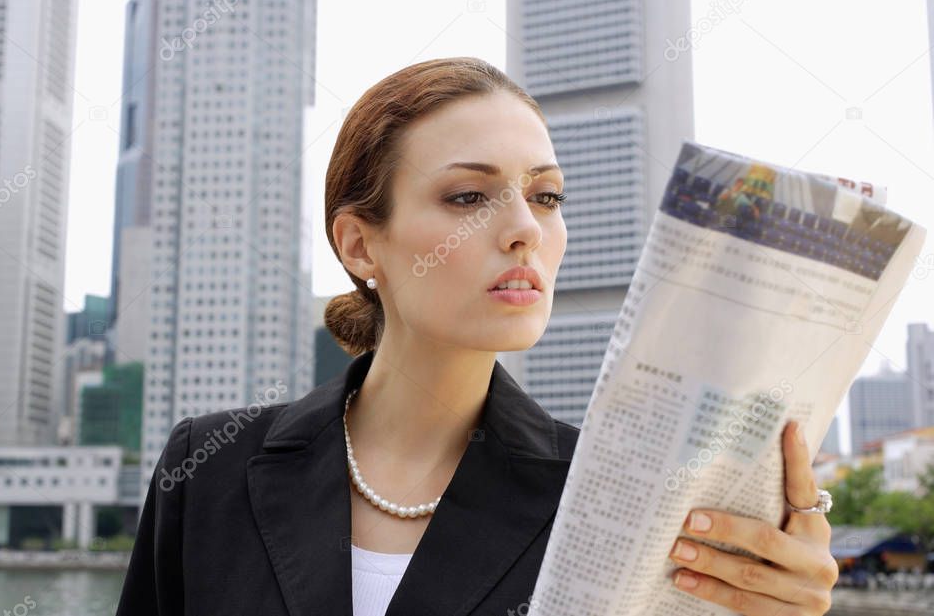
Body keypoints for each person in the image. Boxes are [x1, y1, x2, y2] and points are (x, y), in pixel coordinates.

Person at [114, 57, 838, 616]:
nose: (525, 227)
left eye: (545, 195)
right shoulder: (206, 469)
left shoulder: (617, 499)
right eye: (467, 195)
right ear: (360, 245)